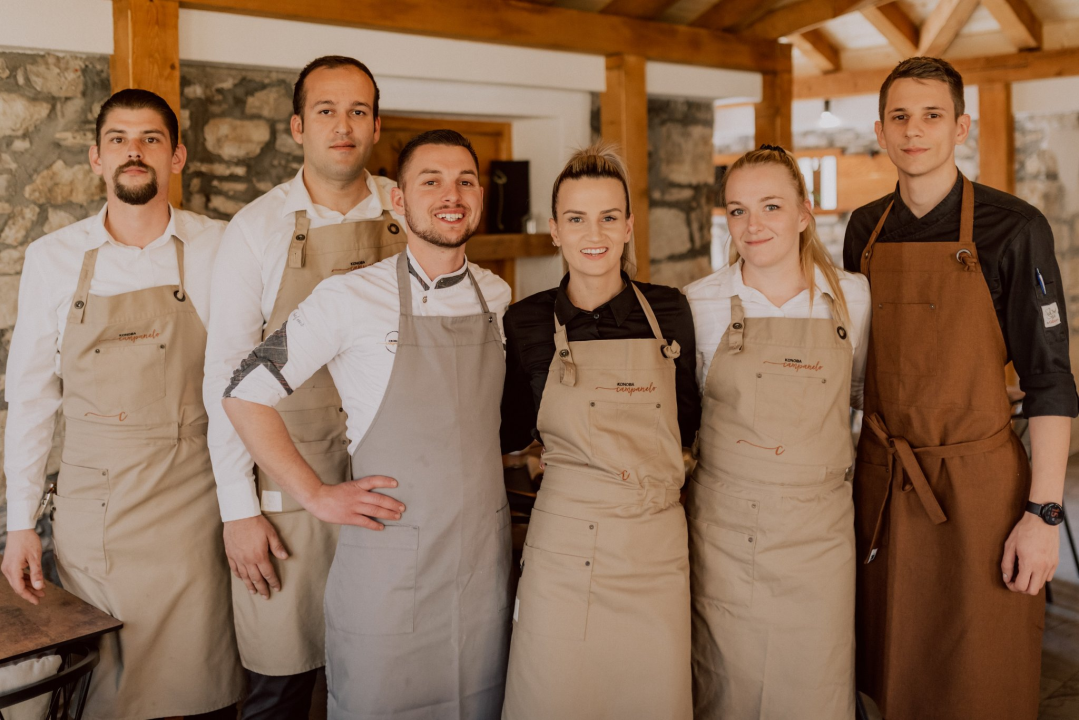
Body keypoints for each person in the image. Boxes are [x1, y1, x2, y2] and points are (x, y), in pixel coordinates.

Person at [221, 129, 513, 719]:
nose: (450, 194)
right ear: (398, 201)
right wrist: (315, 494)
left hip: (481, 570)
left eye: (464, 181)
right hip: (389, 569)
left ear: (479, 195)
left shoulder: (499, 295)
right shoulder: (347, 297)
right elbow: (244, 393)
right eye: (430, 181)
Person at [843, 56, 1076, 720]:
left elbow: (1049, 381)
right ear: (881, 131)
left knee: (981, 676)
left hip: (980, 494)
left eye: (931, 116)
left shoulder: (1015, 228)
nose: (913, 131)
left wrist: (1043, 515)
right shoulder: (863, 231)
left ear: (960, 127)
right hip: (881, 485)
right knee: (884, 675)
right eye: (899, 117)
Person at [0, 89, 243, 719]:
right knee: (106, 686)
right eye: (119, 140)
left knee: (199, 682)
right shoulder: (54, 259)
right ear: (96, 158)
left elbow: (246, 382)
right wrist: (21, 521)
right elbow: (29, 397)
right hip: (95, 508)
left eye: (151, 139)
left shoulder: (222, 247)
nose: (134, 152)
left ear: (177, 156)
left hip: (195, 496)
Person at [202, 55, 404, 716]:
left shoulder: (412, 215)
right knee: (279, 685)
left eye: (357, 111)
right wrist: (239, 510)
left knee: (385, 673)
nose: (342, 126)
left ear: (376, 126)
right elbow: (225, 378)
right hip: (288, 494)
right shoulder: (254, 231)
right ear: (297, 126)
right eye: (326, 111)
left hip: (393, 487)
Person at [500, 144, 700, 719]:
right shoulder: (527, 320)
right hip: (562, 548)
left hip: (653, 548)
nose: (595, 233)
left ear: (629, 227)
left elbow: (687, 420)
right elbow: (509, 429)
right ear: (554, 232)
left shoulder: (671, 312)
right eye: (576, 218)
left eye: (610, 217)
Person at [685, 145, 871, 719]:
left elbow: (859, 401)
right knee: (727, 687)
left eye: (770, 206)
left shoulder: (852, 296)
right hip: (725, 532)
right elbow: (685, 420)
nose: (752, 224)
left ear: (804, 212)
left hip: (820, 533)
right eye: (737, 210)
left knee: (815, 685)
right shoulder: (699, 304)